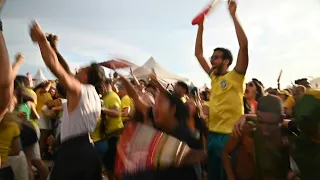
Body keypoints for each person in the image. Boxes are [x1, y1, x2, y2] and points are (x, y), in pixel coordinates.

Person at [30, 21, 103, 180]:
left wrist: (42, 40)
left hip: (73, 155)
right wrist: (54, 48)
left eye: (81, 69)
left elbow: (57, 68)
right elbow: (67, 71)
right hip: (87, 152)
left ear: (85, 76)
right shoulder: (93, 94)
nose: (77, 70)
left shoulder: (79, 89)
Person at [194, 1, 248, 179]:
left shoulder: (236, 75)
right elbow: (198, 54)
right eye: (212, 57)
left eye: (216, 58)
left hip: (230, 135)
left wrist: (233, 15)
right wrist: (201, 26)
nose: (211, 60)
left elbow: (243, 46)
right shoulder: (214, 78)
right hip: (213, 135)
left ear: (226, 61)